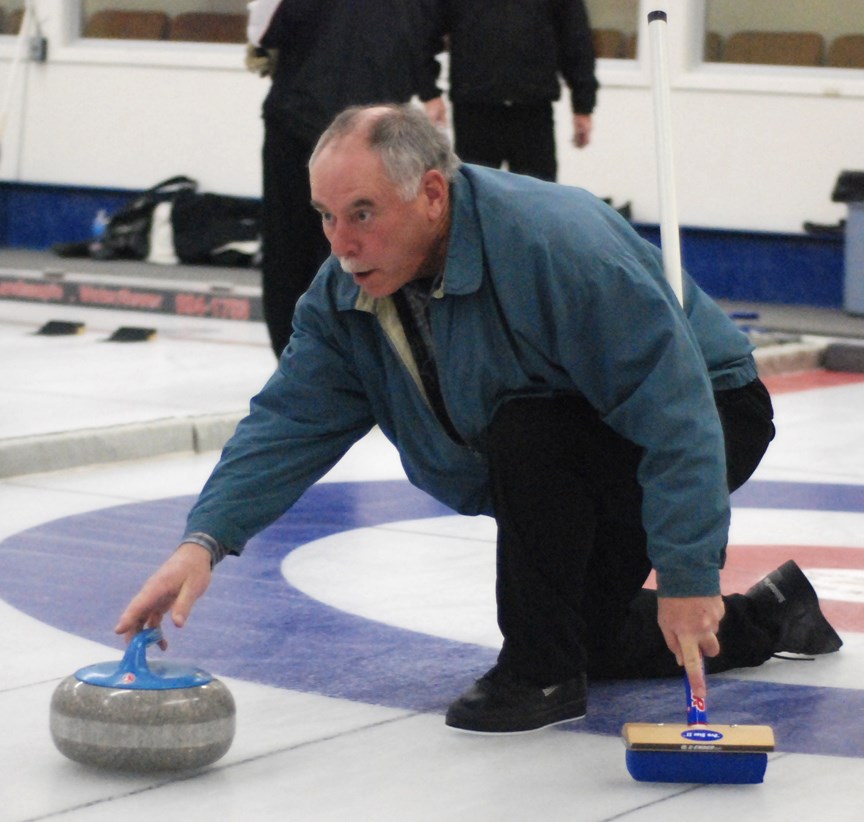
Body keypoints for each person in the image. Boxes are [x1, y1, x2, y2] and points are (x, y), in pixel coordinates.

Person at [116, 104, 842, 735]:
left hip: (710, 408)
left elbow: (674, 408)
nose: (341, 242)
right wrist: (203, 541)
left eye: (362, 213)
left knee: (528, 433)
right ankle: (771, 614)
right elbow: (286, 423)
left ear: (432, 193)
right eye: (327, 217)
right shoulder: (347, 296)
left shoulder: (557, 248)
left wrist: (689, 573)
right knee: (585, 626)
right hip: (581, 432)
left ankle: (539, 674)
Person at [246, 0, 444, 357]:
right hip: (352, 126)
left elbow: (265, 33)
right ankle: (332, 360)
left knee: (299, 248)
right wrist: (426, 87)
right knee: (353, 248)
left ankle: (307, 360)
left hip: (313, 120)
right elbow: (424, 38)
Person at [435, 0, 599, 181]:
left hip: (533, 108)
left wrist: (583, 105)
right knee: (473, 196)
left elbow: (575, 38)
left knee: (538, 197)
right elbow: (427, 28)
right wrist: (430, 94)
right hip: (474, 107)